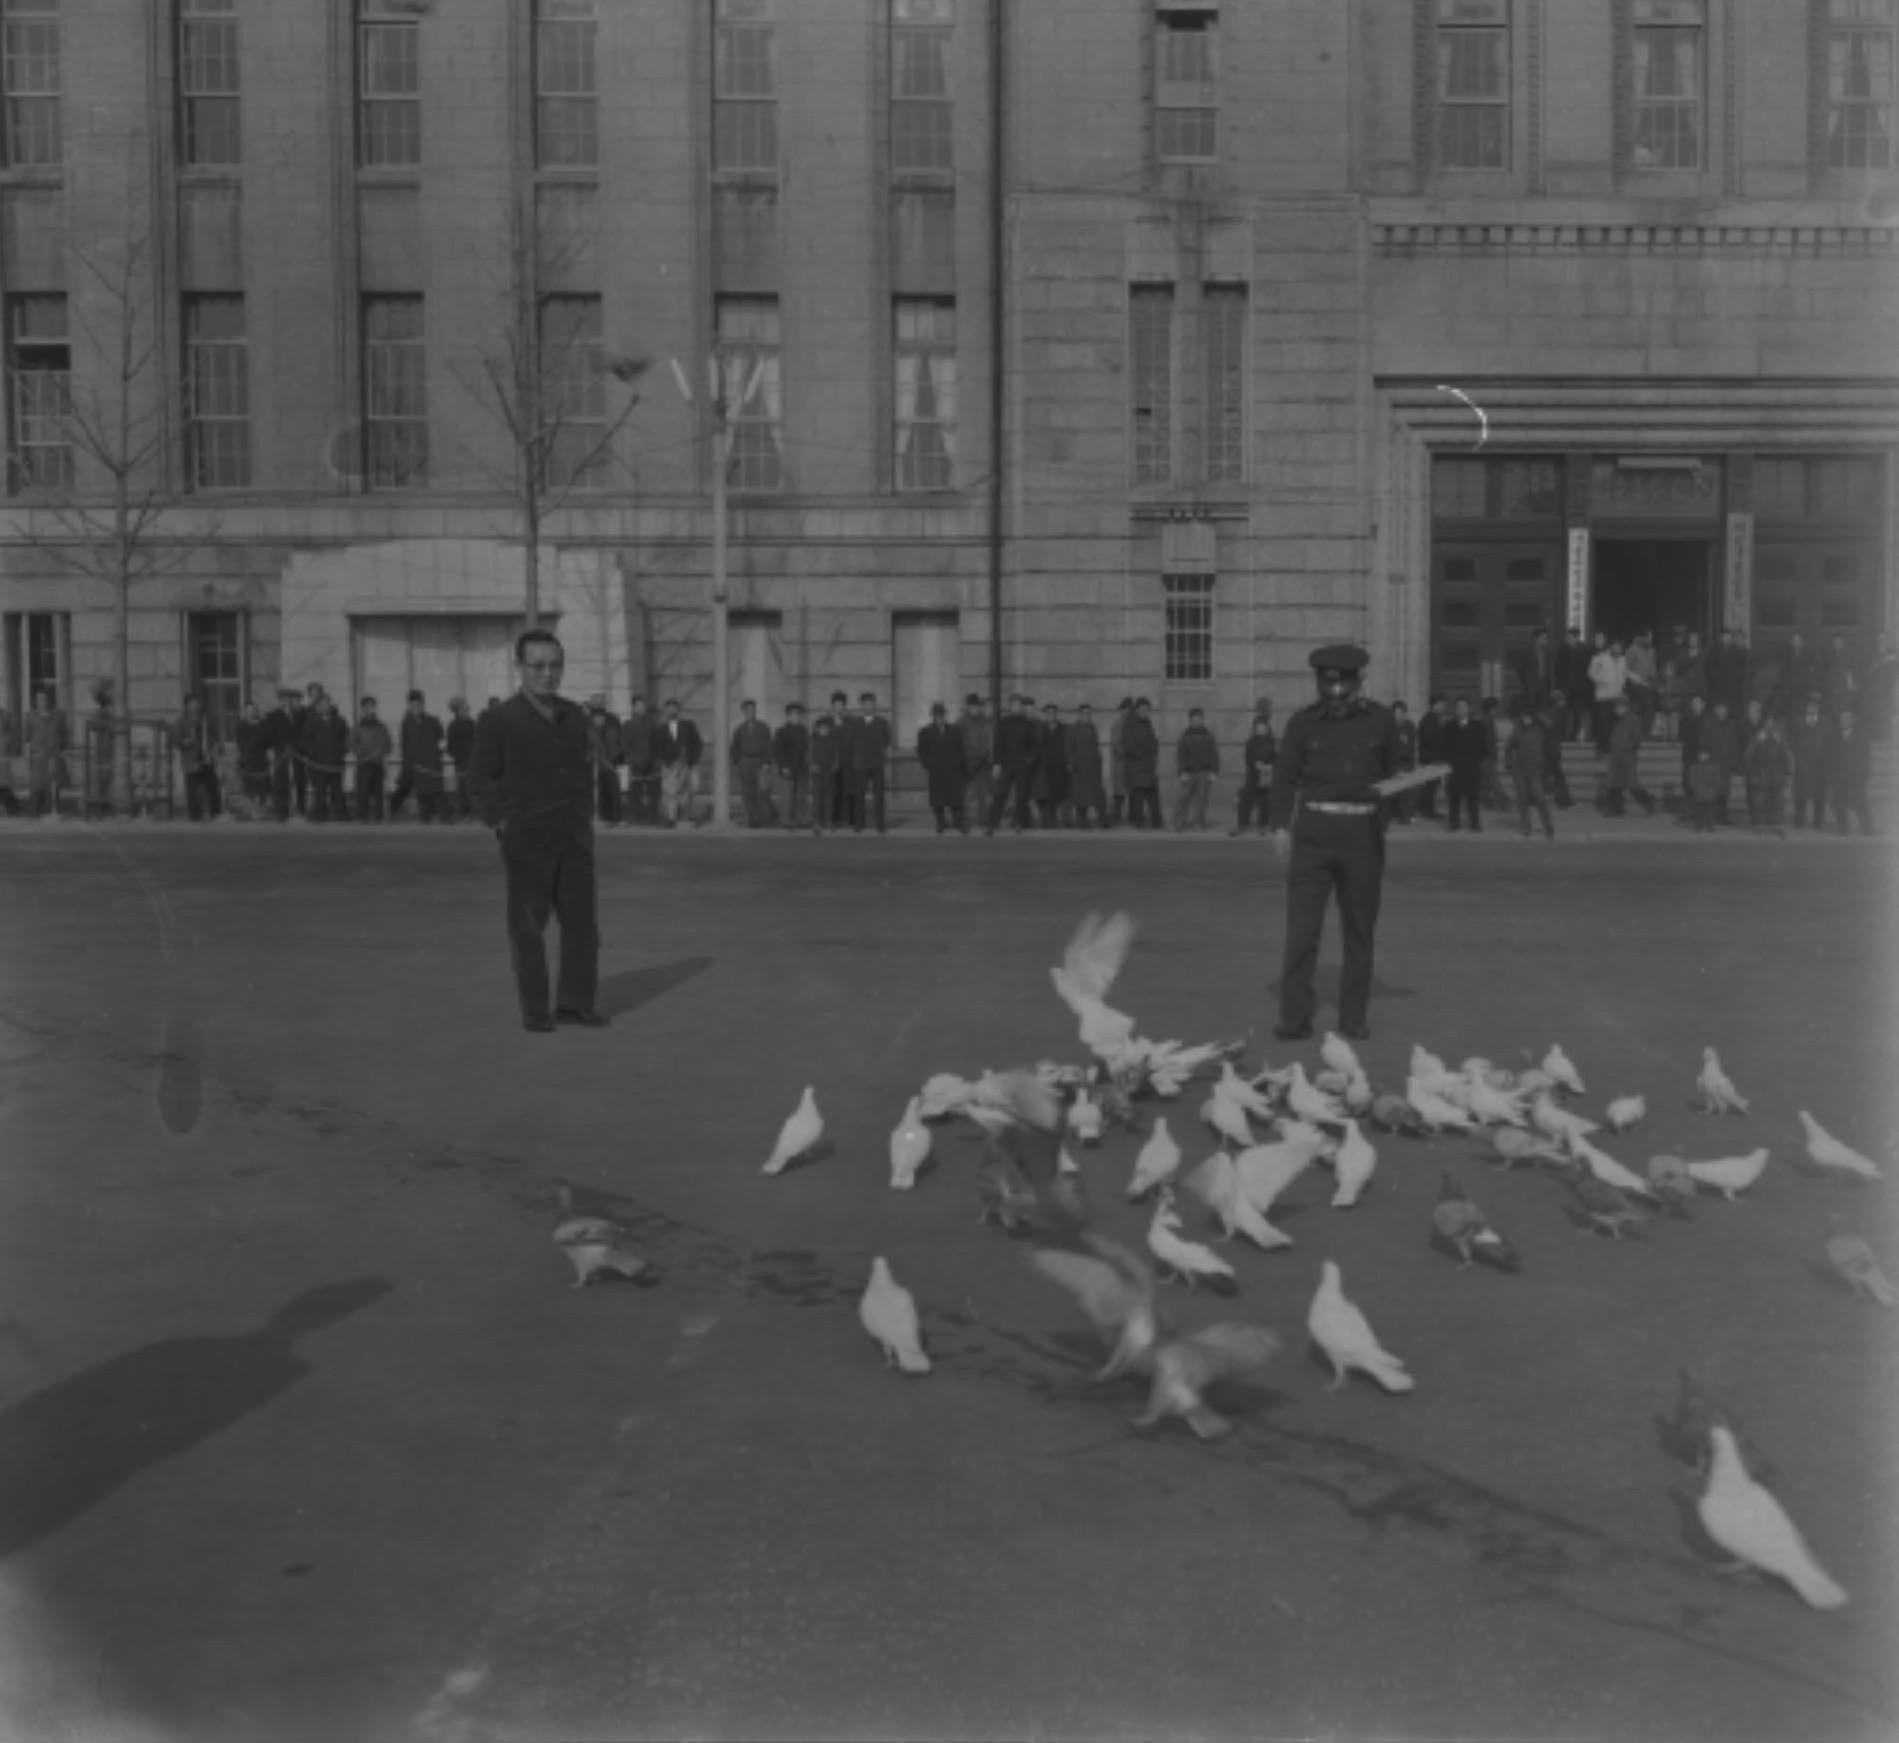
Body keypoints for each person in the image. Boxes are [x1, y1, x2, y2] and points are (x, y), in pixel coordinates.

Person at [469, 630, 602, 1033]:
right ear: (520, 668)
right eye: (538, 666)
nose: (548, 674)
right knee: (528, 928)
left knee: (582, 926)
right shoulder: (498, 720)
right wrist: (503, 822)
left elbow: (582, 768)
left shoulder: (574, 716)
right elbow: (479, 779)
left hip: (574, 837)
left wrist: (585, 812)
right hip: (527, 839)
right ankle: (536, 1010)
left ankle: (575, 1004)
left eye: (555, 665)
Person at [1268, 644, 1402, 1042]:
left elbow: (1394, 771)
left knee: (1359, 932)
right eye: (1329, 688)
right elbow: (1284, 777)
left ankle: (1353, 1018)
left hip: (1362, 837)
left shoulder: (1380, 722)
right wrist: (1280, 826)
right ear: (1320, 685)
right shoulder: (1303, 724)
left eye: (1344, 687)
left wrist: (1395, 804)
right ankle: (1294, 1019)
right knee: (1302, 932)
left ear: (1360, 683)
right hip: (1313, 835)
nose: (1337, 695)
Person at [986, 693, 1037, 835]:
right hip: (1006, 763)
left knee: (1021, 796)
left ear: (1021, 707)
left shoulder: (1027, 723)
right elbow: (998, 744)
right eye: (1014, 705)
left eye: (1019, 705)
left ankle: (1018, 823)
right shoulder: (1004, 722)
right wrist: (996, 764)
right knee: (1000, 793)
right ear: (1010, 706)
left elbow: (1034, 745)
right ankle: (992, 824)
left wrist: (1029, 759)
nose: (1017, 707)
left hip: (1022, 764)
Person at [916, 701, 968, 834]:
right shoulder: (925, 732)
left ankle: (958, 822)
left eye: (942, 715)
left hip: (953, 770)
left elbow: (961, 749)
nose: (940, 718)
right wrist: (929, 764)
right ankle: (941, 822)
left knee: (955, 798)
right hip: (936, 770)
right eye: (937, 715)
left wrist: (959, 763)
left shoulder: (955, 730)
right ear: (933, 716)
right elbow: (922, 751)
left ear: (945, 716)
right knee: (938, 799)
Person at [394, 690, 446, 823]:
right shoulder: (406, 724)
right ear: (409, 706)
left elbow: (442, 741)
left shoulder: (433, 721)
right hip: (417, 766)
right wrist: (409, 764)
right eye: (412, 705)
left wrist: (438, 753)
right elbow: (405, 746)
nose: (415, 708)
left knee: (438, 793)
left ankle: (445, 819)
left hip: (433, 764)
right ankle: (425, 820)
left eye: (418, 705)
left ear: (423, 705)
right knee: (422, 795)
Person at [1507, 701, 1555, 840]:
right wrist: (1508, 762)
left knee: (1539, 797)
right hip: (1520, 770)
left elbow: (1551, 726)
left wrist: (1540, 716)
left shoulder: (1540, 729)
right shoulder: (1517, 730)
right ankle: (1526, 826)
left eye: (1529, 716)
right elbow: (1509, 747)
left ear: (1533, 717)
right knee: (1522, 799)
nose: (1526, 719)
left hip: (1536, 770)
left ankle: (1548, 825)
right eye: (1524, 717)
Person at [1824, 708, 1874, 835]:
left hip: (1856, 777)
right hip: (1840, 777)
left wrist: (1865, 774)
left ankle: (1867, 828)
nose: (1844, 721)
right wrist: (1831, 777)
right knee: (1840, 805)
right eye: (1842, 719)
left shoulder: (1861, 736)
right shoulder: (1833, 738)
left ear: (1852, 721)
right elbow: (1829, 759)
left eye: (1847, 718)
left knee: (1861, 804)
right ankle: (1843, 828)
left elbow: (1865, 757)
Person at [846, 691, 891, 833]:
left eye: (871, 703)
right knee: (859, 795)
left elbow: (886, 742)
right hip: (860, 764)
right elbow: (850, 743)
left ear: (874, 705)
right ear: (861, 706)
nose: (868, 706)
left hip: (877, 763)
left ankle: (880, 824)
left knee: (879, 796)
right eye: (865, 704)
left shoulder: (882, 722)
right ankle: (859, 823)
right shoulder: (855, 723)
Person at [174, 692, 223, 823]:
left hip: (206, 756)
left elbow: (215, 735)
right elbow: (176, 740)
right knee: (192, 788)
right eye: (193, 703)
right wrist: (186, 741)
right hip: (191, 758)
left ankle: (214, 811)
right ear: (187, 705)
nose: (196, 706)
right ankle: (194, 814)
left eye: (197, 703)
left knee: (212, 784)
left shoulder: (206, 718)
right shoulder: (182, 721)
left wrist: (215, 748)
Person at [301, 692, 350, 822]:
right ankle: (319, 815)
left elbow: (346, 739)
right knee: (320, 792)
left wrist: (341, 751)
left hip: (335, 763)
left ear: (330, 705)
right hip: (318, 764)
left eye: (326, 704)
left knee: (337, 791)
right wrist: (313, 753)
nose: (324, 706)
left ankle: (340, 815)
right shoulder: (311, 721)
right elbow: (305, 741)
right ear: (317, 706)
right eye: (321, 704)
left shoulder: (340, 721)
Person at [1231, 700, 1278, 835]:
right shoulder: (1251, 742)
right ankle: (1242, 825)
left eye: (1263, 726)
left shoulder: (1271, 742)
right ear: (1255, 728)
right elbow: (1247, 758)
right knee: (1245, 799)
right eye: (1258, 727)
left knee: (1265, 802)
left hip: (1266, 777)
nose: (1260, 729)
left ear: (1266, 728)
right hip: (1252, 776)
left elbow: (1276, 758)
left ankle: (1263, 826)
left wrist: (1269, 765)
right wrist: (1255, 764)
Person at [1441, 695, 1487, 832]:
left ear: (1469, 709)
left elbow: (1482, 746)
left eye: (1464, 707)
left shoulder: (1478, 726)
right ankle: (1454, 823)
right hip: (1454, 766)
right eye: (1458, 707)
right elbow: (1444, 746)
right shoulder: (1448, 726)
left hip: (1471, 766)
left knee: (1473, 796)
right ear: (1455, 710)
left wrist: (1477, 761)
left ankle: (1475, 823)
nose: (1461, 710)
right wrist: (1446, 763)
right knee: (1453, 796)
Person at [1601, 698, 1653, 817]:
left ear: (1625, 707)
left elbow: (1637, 739)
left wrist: (1626, 747)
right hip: (1616, 757)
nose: (1616, 710)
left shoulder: (1633, 720)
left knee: (1632, 783)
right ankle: (1615, 809)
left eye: (1618, 707)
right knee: (1614, 783)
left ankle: (1648, 802)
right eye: (1615, 708)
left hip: (1628, 757)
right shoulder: (1617, 720)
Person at [730, 699, 777, 828]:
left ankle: (767, 819)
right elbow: (734, 747)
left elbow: (769, 745)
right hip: (745, 762)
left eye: (752, 710)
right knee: (747, 793)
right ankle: (753, 820)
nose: (750, 712)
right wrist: (738, 762)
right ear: (744, 712)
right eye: (747, 710)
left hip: (760, 761)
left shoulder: (763, 727)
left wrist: (767, 762)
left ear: (755, 711)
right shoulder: (739, 729)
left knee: (762, 792)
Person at [1172, 706, 1219, 831]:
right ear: (1190, 720)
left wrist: (1214, 771)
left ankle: (1198, 823)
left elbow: (1214, 754)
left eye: (1199, 718)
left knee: (1202, 800)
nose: (1196, 721)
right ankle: (1179, 822)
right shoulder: (1185, 736)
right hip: (1189, 772)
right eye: (1194, 719)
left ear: (1203, 720)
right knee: (1183, 799)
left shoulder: (1209, 735)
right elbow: (1180, 755)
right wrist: (1181, 771)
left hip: (1204, 772)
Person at [1743, 715, 1791, 837]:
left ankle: (1778, 828)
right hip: (1761, 777)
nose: (1769, 727)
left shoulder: (1779, 739)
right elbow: (1748, 756)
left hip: (1777, 777)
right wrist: (1756, 741)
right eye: (1767, 724)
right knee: (1760, 804)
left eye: (1771, 724)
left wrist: (1780, 742)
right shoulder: (1757, 738)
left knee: (1778, 804)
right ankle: (1759, 827)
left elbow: (1787, 757)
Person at [657, 699, 703, 827]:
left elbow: (697, 743)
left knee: (687, 791)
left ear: (678, 710)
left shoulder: (688, 725)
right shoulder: (661, 729)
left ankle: (685, 817)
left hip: (686, 763)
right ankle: (671, 818)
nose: (672, 711)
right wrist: (665, 762)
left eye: (674, 708)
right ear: (665, 711)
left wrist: (692, 760)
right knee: (670, 792)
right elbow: (658, 748)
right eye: (669, 708)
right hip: (669, 765)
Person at [25, 688, 67, 819]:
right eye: (38, 699)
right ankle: (34, 812)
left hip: (53, 756)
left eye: (43, 699)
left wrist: (62, 751)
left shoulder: (57, 716)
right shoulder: (30, 716)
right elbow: (27, 738)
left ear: (49, 700)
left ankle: (50, 810)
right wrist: (27, 756)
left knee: (52, 784)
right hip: (37, 756)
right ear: (35, 701)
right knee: (36, 784)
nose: (41, 701)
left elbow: (63, 735)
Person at [1121, 698, 1161, 829]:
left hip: (1148, 766)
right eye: (1143, 709)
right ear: (1137, 710)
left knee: (1153, 795)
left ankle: (1156, 822)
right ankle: (1139, 822)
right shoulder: (1129, 724)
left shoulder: (1147, 723)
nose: (1146, 712)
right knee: (1138, 796)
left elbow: (1153, 741)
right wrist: (1145, 752)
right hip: (1137, 766)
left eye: (1148, 710)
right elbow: (1129, 746)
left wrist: (1154, 749)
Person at [350, 697, 392, 823]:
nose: (369, 709)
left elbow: (388, 744)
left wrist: (381, 751)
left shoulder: (381, 726)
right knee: (363, 792)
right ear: (362, 709)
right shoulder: (357, 726)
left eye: (372, 706)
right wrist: (365, 753)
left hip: (378, 764)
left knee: (379, 793)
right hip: (364, 764)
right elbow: (352, 744)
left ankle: (379, 817)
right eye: (367, 706)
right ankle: (362, 817)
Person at [1066, 702, 1107, 829]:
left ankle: (1092, 821)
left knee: (1091, 797)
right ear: (1079, 714)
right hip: (1079, 768)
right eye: (1085, 713)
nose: (1087, 716)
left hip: (1092, 768)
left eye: (1089, 714)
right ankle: (1080, 822)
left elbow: (1096, 748)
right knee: (1080, 797)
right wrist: (1072, 763)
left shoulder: (1093, 728)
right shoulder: (1072, 729)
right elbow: (1068, 749)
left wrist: (1099, 762)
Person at [1790, 696, 1828, 829]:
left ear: (1818, 708)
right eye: (1809, 705)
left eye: (1815, 706)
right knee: (1801, 795)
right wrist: (1798, 756)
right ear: (1806, 707)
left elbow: (1829, 743)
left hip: (1820, 766)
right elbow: (1792, 741)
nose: (1812, 708)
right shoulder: (1798, 722)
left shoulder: (1825, 723)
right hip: (1803, 764)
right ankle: (1799, 822)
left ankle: (1819, 823)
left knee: (1820, 796)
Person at [621, 695, 659, 826]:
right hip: (636, 763)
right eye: (639, 705)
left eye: (643, 705)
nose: (642, 708)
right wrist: (632, 759)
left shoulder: (652, 723)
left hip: (651, 763)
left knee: (653, 792)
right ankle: (635, 817)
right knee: (635, 792)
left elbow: (655, 742)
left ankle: (652, 817)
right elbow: (626, 745)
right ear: (634, 707)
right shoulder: (629, 724)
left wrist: (655, 759)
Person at [263, 688, 300, 821]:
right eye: (284, 699)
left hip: (296, 753)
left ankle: (296, 809)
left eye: (289, 699)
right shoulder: (273, 715)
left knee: (296, 781)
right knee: (280, 782)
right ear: (280, 700)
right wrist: (276, 747)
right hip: (280, 752)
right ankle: (281, 810)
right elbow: (268, 735)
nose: (287, 702)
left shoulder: (297, 714)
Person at [586, 695, 624, 827]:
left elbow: (618, 742)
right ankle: (600, 818)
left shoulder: (613, 721)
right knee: (597, 793)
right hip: (594, 766)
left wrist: (618, 757)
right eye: (596, 702)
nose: (600, 719)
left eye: (601, 702)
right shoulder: (585, 724)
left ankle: (616, 819)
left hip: (610, 764)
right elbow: (583, 745)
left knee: (614, 792)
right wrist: (591, 757)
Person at [808, 697, 844, 834]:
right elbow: (809, 757)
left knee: (830, 800)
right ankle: (817, 822)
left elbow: (836, 757)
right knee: (817, 800)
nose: (823, 730)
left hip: (829, 775)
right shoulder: (813, 742)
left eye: (826, 728)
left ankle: (829, 822)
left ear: (829, 729)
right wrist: (812, 765)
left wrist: (835, 765)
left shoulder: (833, 742)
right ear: (817, 729)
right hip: (817, 775)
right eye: (821, 728)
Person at [1700, 699, 1738, 826]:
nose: (1722, 711)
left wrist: (1733, 761)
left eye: (1724, 709)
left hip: (1726, 764)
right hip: (1713, 763)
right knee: (1712, 792)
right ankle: (1711, 817)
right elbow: (1703, 742)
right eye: (1719, 709)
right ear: (1715, 710)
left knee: (1724, 792)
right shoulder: (1708, 723)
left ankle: (1723, 816)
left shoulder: (1732, 725)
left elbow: (1734, 743)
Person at [1588, 635, 1628, 755]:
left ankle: (1610, 748)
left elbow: (1625, 673)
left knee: (1613, 724)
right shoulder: (1600, 658)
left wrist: (1625, 683)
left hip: (1616, 696)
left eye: (1619, 647)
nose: (1618, 649)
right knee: (1603, 723)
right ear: (1610, 647)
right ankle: (1601, 748)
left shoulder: (1622, 660)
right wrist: (1602, 679)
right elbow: (1591, 673)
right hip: (1603, 696)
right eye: (1615, 647)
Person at [774, 702, 810, 831]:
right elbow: (778, 751)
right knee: (786, 796)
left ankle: (801, 819)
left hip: (801, 768)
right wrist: (783, 766)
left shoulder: (804, 731)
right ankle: (785, 820)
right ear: (788, 716)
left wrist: (808, 763)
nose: (796, 717)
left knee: (800, 796)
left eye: (798, 715)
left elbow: (807, 749)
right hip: (787, 768)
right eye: (793, 715)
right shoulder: (781, 732)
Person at [1034, 701, 1070, 828]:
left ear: (1056, 714)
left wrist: (1067, 762)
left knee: (1057, 794)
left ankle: (1054, 820)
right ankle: (1046, 820)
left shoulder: (1064, 728)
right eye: (1048, 713)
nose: (1051, 715)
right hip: (1043, 766)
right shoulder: (1040, 728)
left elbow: (1068, 747)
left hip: (1059, 766)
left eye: (1053, 713)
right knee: (1043, 795)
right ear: (1045, 714)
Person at [958, 695, 993, 827]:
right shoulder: (961, 722)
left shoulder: (985, 721)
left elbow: (989, 740)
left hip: (982, 762)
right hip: (966, 762)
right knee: (965, 793)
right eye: (972, 706)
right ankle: (963, 818)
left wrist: (988, 757)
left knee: (982, 793)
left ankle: (983, 819)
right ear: (968, 707)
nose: (975, 709)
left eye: (977, 706)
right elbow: (958, 743)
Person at [236, 700, 271, 820]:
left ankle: (262, 812)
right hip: (247, 759)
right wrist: (241, 760)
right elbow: (240, 743)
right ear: (245, 712)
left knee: (263, 789)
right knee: (248, 789)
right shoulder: (241, 726)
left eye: (254, 710)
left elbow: (268, 742)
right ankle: (249, 811)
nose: (252, 712)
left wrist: (263, 723)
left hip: (261, 759)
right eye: (249, 710)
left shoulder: (263, 725)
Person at [1414, 694, 1447, 819]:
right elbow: (1429, 738)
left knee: (1432, 785)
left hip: (1433, 757)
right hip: (1431, 758)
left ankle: (1426, 808)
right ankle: (1427, 810)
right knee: (1431, 785)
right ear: (1435, 705)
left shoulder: (1434, 718)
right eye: (1442, 704)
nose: (1443, 707)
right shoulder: (1429, 718)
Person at [1557, 628, 1592, 742]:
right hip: (1565, 686)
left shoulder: (1584, 650)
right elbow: (1558, 669)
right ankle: (1562, 735)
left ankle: (1573, 735)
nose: (1568, 639)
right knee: (1563, 712)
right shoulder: (1562, 650)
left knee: (1577, 712)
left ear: (1576, 637)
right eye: (1568, 637)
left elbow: (1587, 668)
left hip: (1579, 686)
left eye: (1571, 637)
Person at [445, 698, 476, 822]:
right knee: (463, 789)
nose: (467, 711)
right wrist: (459, 756)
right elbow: (450, 747)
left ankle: (472, 814)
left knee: (472, 789)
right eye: (464, 709)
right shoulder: (453, 726)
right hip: (461, 763)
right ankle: (464, 814)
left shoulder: (472, 724)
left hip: (473, 762)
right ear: (457, 711)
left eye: (467, 709)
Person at [1624, 630, 1659, 737]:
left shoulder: (1652, 651)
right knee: (1646, 700)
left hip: (1647, 685)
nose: (1650, 640)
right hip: (1634, 684)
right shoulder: (1632, 650)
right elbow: (1625, 669)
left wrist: (1655, 680)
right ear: (1642, 638)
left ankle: (1647, 732)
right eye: (1648, 637)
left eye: (1651, 638)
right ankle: (1642, 733)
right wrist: (1639, 680)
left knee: (1654, 698)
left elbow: (1653, 671)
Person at [1864, 630, 1897, 742]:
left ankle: (1887, 744)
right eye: (1879, 639)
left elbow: (1895, 673)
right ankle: (1876, 742)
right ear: (1876, 641)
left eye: (1883, 639)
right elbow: (1867, 672)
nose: (1881, 641)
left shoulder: (1892, 653)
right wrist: (1881, 663)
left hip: (1887, 693)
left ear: (1886, 640)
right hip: (1873, 694)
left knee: (1886, 721)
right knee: (1875, 720)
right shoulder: (1870, 654)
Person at [1515, 629, 1555, 713]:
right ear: (1537, 639)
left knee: (1543, 711)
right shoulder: (1527, 651)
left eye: (1546, 638)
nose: (1546, 640)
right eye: (1544, 638)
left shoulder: (1548, 652)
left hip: (1544, 686)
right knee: (1531, 711)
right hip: (1531, 686)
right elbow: (1519, 669)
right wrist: (1526, 681)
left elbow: (1551, 669)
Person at [1107, 698, 1133, 827]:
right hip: (1121, 764)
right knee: (1119, 794)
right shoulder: (1118, 725)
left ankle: (1132, 817)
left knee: (1133, 793)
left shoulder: (1135, 724)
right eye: (1125, 708)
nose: (1127, 711)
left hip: (1132, 765)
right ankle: (1115, 817)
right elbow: (1116, 745)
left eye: (1129, 708)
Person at [1685, 747, 1722, 833]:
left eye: (1705, 755)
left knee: (1710, 810)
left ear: (1708, 756)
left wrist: (1713, 789)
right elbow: (1691, 779)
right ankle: (1698, 826)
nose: (1703, 757)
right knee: (1699, 810)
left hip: (1710, 792)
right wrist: (1695, 788)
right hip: (1698, 791)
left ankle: (1710, 826)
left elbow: (1717, 779)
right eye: (1701, 755)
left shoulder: (1714, 766)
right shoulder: (1694, 766)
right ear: (1698, 756)